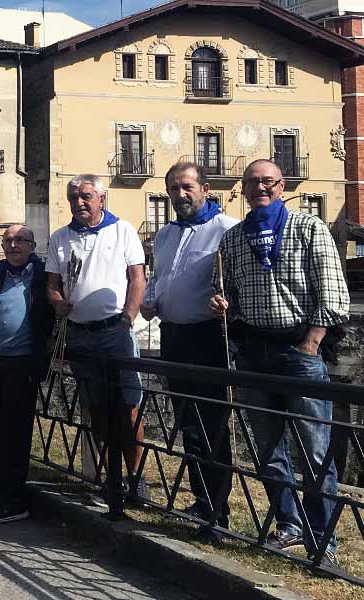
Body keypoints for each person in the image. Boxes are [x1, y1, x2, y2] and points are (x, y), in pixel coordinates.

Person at [211, 159, 350, 566]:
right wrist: (221, 302)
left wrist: (312, 342)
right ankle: (289, 525)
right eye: (252, 182)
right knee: (268, 448)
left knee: (315, 451)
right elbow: (228, 290)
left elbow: (333, 292)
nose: (260, 187)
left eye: (267, 181)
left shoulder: (309, 228)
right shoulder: (234, 238)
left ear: (282, 185)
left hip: (299, 352)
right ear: (243, 188)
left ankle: (322, 540)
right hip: (254, 353)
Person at [141, 163, 238, 535]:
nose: (179, 195)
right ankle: (202, 500)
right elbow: (159, 278)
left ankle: (217, 512)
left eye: (186, 187)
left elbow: (238, 283)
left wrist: (228, 303)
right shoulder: (165, 234)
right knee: (188, 424)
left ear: (206, 189)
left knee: (212, 425)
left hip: (208, 338)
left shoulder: (227, 230)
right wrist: (151, 300)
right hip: (173, 337)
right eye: (173, 189)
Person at [46, 175, 148, 506]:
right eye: (73, 197)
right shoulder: (60, 237)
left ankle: (137, 478)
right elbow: (53, 284)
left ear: (101, 199)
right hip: (79, 334)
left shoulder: (123, 230)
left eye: (85, 196)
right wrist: (57, 303)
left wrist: (127, 318)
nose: (79, 202)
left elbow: (138, 278)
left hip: (115, 332)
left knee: (129, 407)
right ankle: (110, 478)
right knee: (96, 409)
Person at [0, 226, 54, 524]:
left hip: (24, 365)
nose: (13, 245)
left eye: (20, 240)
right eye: (8, 240)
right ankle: (0, 495)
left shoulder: (43, 276)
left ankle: (14, 501)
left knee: (16, 436)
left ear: (32, 246)